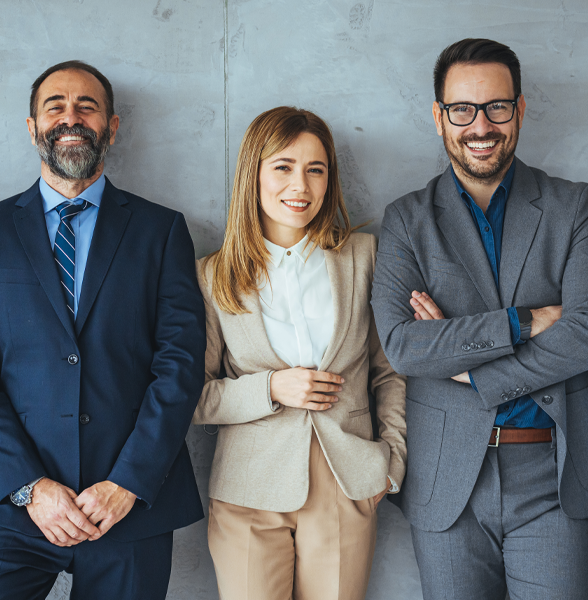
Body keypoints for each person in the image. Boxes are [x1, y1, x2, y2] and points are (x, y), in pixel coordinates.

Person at [0, 60, 207, 599]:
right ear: (33, 126)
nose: (71, 117)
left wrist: (128, 481)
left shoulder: (162, 230)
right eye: (55, 106)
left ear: (111, 126)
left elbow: (179, 365)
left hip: (126, 507)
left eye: (87, 106)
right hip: (15, 509)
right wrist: (29, 487)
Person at [369, 38, 588, 600]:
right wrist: (524, 321)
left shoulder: (574, 205)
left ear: (520, 110)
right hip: (446, 478)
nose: (480, 126)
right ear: (439, 118)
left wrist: (474, 370)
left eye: (496, 107)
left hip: (553, 473)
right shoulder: (407, 220)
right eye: (462, 109)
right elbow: (406, 347)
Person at [194, 106, 407, 600]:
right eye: (284, 167)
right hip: (247, 490)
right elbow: (195, 396)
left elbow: (389, 371)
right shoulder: (212, 275)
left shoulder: (365, 257)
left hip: (346, 481)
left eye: (316, 170)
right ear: (254, 173)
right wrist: (270, 388)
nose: (302, 186)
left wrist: (391, 464)